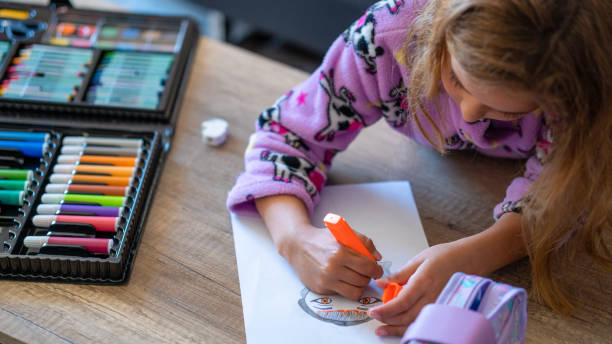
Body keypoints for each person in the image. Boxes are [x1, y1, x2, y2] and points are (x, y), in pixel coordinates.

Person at [227, 0, 612, 337]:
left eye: (508, 111)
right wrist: (293, 237)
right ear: (441, 31)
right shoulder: (385, 38)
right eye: (457, 80)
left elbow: (568, 193)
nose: (468, 115)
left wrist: (478, 253)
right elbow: (285, 135)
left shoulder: (584, 83)